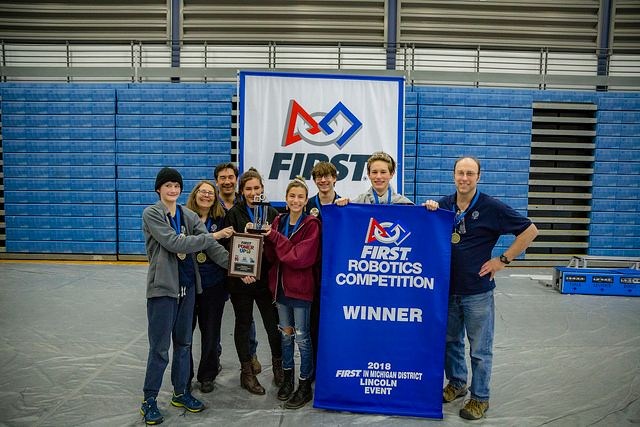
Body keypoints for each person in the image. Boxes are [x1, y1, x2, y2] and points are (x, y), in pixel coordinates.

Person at [423, 156, 538, 420]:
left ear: (478, 177)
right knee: (450, 342)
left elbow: (530, 231)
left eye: (470, 173)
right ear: (453, 175)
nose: (464, 178)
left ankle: (480, 398)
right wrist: (427, 208)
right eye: (460, 173)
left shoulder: (492, 207)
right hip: (447, 290)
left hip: (477, 292)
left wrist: (503, 260)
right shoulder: (443, 205)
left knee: (480, 349)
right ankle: (457, 382)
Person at [140, 167, 229, 425]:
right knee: (160, 349)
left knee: (184, 345)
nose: (173, 189)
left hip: (188, 287)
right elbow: (174, 243)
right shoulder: (152, 214)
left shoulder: (187, 214)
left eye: (176, 185)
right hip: (163, 289)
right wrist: (210, 235)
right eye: (167, 185)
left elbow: (209, 245)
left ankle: (181, 393)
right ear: (159, 189)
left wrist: (236, 268)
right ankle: (149, 401)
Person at [223, 167, 283, 395]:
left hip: (266, 280)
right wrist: (240, 271)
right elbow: (227, 246)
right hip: (242, 282)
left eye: (256, 188)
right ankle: (246, 373)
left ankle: (279, 368)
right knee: (243, 325)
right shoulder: (234, 214)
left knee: (272, 325)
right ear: (242, 191)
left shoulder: (272, 214)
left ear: (262, 189)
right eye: (248, 188)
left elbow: (279, 244)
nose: (252, 192)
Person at [264, 176, 321, 409]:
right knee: (285, 336)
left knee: (303, 338)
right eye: (292, 196)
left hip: (301, 290)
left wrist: (274, 238)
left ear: (306, 200)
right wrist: (260, 236)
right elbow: (271, 255)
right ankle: (287, 380)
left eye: (300, 196)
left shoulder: (312, 225)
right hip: (280, 288)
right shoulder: (278, 220)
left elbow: (300, 258)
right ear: (286, 199)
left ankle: (304, 384)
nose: (296, 200)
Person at [186, 180, 234, 394]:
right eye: (202, 192)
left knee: (211, 332)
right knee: (184, 333)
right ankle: (183, 375)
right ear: (195, 194)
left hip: (214, 283)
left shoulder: (222, 219)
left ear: (215, 197)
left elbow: (228, 249)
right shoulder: (183, 218)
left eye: (210, 193)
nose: (206, 196)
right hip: (187, 282)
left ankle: (207, 375)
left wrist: (241, 269)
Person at [214, 162, 262, 375]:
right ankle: (213, 357)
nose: (226, 181)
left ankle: (251, 355)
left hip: (244, 274)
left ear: (236, 181)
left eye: (230, 177)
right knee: (213, 318)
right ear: (217, 181)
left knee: (246, 317)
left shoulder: (250, 207)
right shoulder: (211, 203)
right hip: (218, 271)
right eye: (222, 177)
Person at [304, 161, 340, 379]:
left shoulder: (345, 205)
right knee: (314, 321)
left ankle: (335, 365)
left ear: (335, 178)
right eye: (319, 176)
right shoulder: (307, 206)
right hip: (313, 272)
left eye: (327, 176)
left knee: (336, 320)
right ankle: (316, 369)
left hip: (337, 272)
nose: (323, 180)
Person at [336, 151, 412, 205]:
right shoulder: (358, 203)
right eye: (374, 172)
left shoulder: (403, 204)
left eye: (383, 172)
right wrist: (340, 206)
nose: (378, 177)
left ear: (391, 174)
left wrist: (424, 209)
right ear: (369, 174)